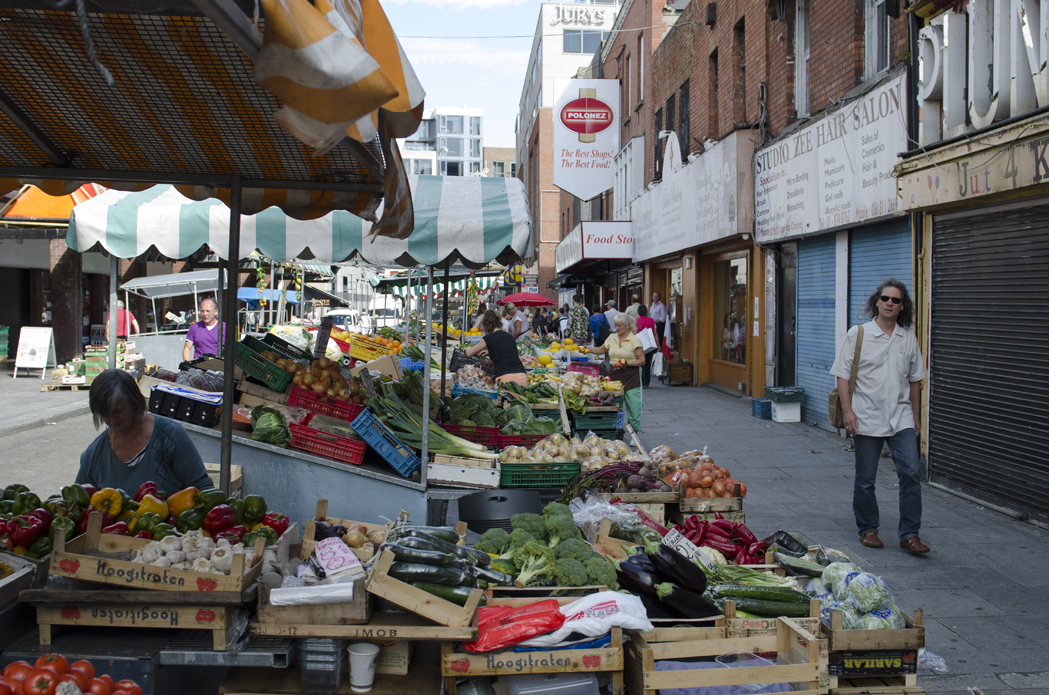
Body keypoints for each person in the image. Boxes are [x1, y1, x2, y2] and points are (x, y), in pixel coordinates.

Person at [830, 279, 928, 554]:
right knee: (866, 479)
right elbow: (842, 374)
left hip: (901, 418)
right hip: (866, 416)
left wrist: (916, 417)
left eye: (896, 300)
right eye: (885, 298)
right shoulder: (859, 334)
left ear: (901, 307)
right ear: (877, 301)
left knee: (910, 473)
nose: (889, 303)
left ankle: (910, 534)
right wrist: (848, 412)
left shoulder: (907, 338)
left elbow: (915, 380)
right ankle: (868, 529)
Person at [77, 369, 214, 492]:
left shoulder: (170, 437)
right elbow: (77, 500)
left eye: (118, 411)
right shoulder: (94, 455)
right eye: (105, 414)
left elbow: (202, 486)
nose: (112, 421)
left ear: (134, 402)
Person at [583, 313, 645, 431]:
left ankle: (634, 432)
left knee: (633, 405)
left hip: (631, 375)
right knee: (612, 403)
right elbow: (602, 349)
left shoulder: (635, 340)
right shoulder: (612, 337)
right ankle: (614, 430)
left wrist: (627, 363)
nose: (617, 328)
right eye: (615, 325)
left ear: (627, 325)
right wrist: (588, 350)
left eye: (620, 326)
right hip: (614, 375)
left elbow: (642, 360)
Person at [464, 310, 527, 387]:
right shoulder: (509, 336)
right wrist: (489, 352)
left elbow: (469, 353)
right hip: (522, 376)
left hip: (504, 379)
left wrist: (467, 348)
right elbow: (507, 351)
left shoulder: (488, 338)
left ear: (486, 324)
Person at [635, 305, 656, 388]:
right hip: (650, 344)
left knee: (641, 363)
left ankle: (643, 382)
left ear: (638, 312)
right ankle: (647, 381)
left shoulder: (636, 321)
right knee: (648, 363)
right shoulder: (652, 321)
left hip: (640, 344)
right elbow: (656, 333)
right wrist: (657, 344)